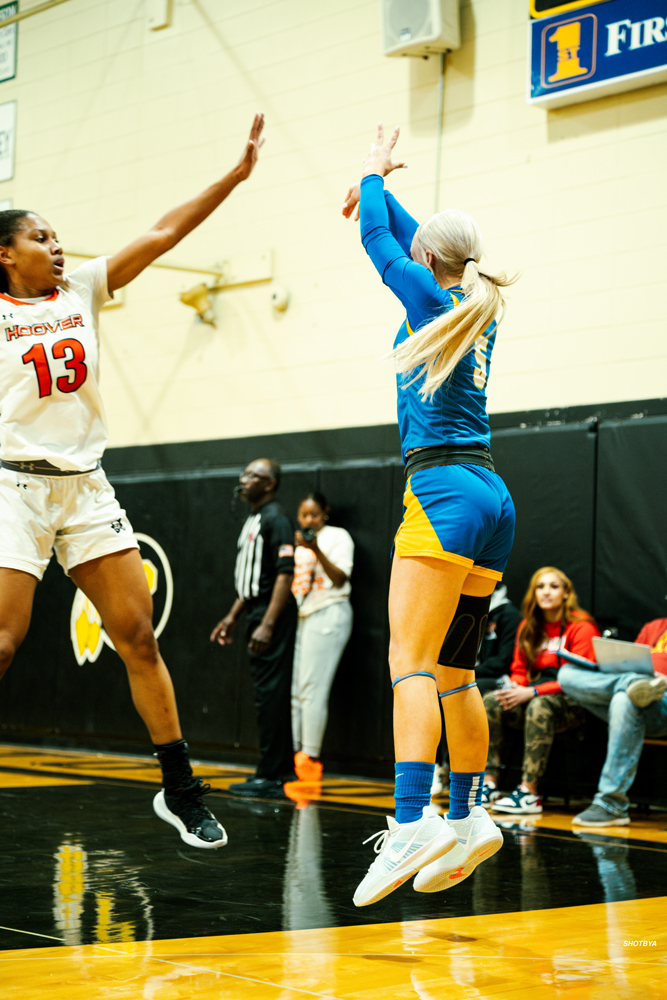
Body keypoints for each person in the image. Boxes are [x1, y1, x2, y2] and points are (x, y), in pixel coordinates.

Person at [0, 113, 266, 850]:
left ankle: (179, 790)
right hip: (11, 490)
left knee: (137, 637)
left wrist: (232, 178)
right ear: (4, 254)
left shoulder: (82, 287)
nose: (56, 245)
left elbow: (162, 232)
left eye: (57, 236)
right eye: (40, 237)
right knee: (3, 644)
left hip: (85, 489)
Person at [342, 123, 516, 907]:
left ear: (429, 263)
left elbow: (383, 240)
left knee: (406, 663)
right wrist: (376, 194)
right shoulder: (469, 298)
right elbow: (410, 236)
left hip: (442, 492)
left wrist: (371, 176)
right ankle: (469, 812)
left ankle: (412, 820)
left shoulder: (423, 293)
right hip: (490, 497)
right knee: (453, 671)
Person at [210, 458, 298, 798]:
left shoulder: (276, 519)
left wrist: (267, 623)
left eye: (253, 476)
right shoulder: (255, 518)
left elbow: (283, 574)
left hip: (271, 614)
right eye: (244, 473)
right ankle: (276, 770)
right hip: (255, 611)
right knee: (266, 696)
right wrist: (233, 616)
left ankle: (273, 776)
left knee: (271, 695)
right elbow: (252, 581)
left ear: (270, 484)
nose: (243, 479)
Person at [483, 567, 599, 816]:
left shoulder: (582, 628)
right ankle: (489, 783)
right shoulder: (528, 626)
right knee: (492, 701)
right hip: (533, 694)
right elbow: (519, 668)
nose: (546, 592)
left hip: (573, 702)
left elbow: (579, 679)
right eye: (540, 586)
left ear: (566, 593)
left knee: (539, 706)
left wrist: (532, 693)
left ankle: (529, 792)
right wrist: (516, 686)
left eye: (554, 587)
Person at [558, 617, 667, 826]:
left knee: (624, 699)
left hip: (662, 703)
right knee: (566, 674)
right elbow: (633, 663)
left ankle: (611, 803)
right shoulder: (654, 626)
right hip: (635, 691)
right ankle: (630, 683)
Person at [431, 582, 522, 797]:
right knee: (431, 687)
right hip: (472, 674)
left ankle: (456, 771)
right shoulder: (464, 608)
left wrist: (466, 672)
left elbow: (503, 660)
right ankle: (436, 766)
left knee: (463, 689)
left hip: (498, 678)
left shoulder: (509, 615)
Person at [291, 491, 354, 781]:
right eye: (304, 514)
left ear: (325, 513)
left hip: (330, 612)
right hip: (305, 615)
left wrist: (315, 549)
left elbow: (340, 578)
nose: (309, 519)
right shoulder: (297, 542)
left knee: (313, 689)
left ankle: (310, 758)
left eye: (314, 514)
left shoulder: (338, 537)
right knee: (297, 692)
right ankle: (296, 755)